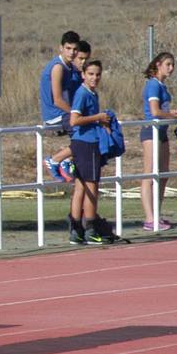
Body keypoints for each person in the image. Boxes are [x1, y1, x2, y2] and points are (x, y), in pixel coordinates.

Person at [67, 60, 112, 246]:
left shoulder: (93, 93)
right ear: (83, 74)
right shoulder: (82, 93)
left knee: (80, 187)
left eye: (98, 74)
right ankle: (90, 228)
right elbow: (74, 120)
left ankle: (76, 229)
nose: (95, 78)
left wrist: (102, 123)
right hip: (85, 144)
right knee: (91, 187)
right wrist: (98, 117)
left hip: (86, 142)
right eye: (91, 74)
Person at [141, 51, 177, 231]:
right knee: (149, 174)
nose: (171, 68)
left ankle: (157, 213)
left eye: (173, 65)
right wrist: (172, 115)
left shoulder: (162, 86)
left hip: (162, 132)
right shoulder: (152, 85)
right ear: (158, 64)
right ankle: (149, 218)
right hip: (151, 131)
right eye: (168, 65)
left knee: (163, 174)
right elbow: (155, 111)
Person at [38, 31, 81, 185]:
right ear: (61, 48)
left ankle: (67, 159)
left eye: (75, 49)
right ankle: (56, 160)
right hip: (55, 114)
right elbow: (57, 100)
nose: (72, 52)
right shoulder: (58, 67)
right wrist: (76, 114)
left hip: (65, 113)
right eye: (68, 48)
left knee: (91, 134)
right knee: (86, 137)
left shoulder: (71, 68)